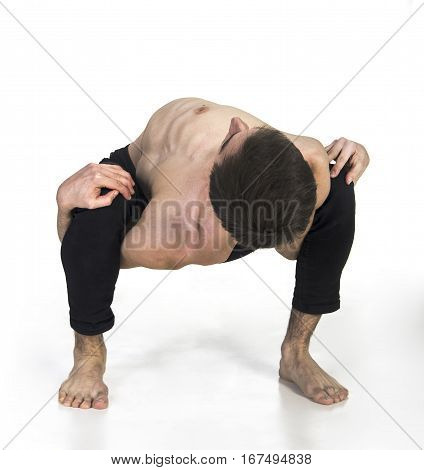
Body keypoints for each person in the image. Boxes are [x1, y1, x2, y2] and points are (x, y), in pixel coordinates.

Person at [56, 97, 369, 409]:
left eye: (235, 137)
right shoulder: (176, 232)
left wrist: (357, 155)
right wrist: (66, 202)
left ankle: (296, 353)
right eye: (238, 136)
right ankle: (88, 356)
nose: (235, 123)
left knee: (339, 186)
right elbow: (84, 253)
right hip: (143, 166)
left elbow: (292, 250)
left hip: (238, 206)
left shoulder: (308, 156)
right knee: (94, 219)